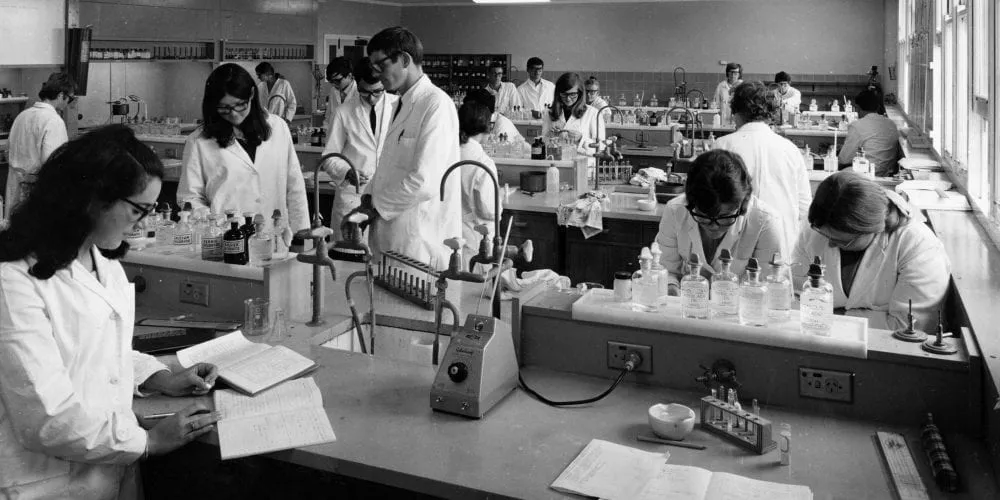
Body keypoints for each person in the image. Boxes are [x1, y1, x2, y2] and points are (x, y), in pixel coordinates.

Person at [0, 125, 220, 498]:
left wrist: (159, 376)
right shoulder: (14, 281)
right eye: (139, 209)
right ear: (92, 198)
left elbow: (100, 350)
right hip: (44, 483)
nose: (145, 220)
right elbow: (44, 417)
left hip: (107, 472)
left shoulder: (105, 265)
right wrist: (147, 441)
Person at [348, 26, 461, 270]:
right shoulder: (400, 102)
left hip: (418, 242)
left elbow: (424, 181)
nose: (376, 74)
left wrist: (375, 208)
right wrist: (366, 200)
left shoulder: (436, 105)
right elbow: (389, 163)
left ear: (405, 60)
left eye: (381, 65)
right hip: (392, 237)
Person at [792, 171, 950, 331]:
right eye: (826, 235)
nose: (831, 244)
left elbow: (907, 327)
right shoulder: (816, 229)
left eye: (843, 241)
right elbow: (796, 300)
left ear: (875, 229)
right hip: (817, 341)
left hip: (886, 351)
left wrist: (829, 316)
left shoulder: (918, 246)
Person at [179, 63, 309, 232]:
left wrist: (302, 230)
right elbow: (190, 198)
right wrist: (215, 224)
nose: (233, 113)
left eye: (240, 104)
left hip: (274, 234)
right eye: (224, 108)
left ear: (252, 95)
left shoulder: (278, 128)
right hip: (224, 238)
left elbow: (295, 185)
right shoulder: (199, 141)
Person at [655, 150, 785, 294]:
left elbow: (767, 287)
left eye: (725, 217)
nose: (714, 226)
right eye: (704, 216)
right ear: (690, 203)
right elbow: (665, 269)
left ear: (743, 205)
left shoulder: (765, 222)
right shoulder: (675, 211)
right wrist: (670, 287)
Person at [712, 81, 812, 252]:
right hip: (782, 242)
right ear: (769, 114)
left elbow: (710, 200)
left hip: (735, 244)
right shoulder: (790, 149)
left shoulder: (723, 146)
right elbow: (804, 206)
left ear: (736, 113)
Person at [322, 58, 398, 241]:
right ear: (357, 83)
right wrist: (347, 171)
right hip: (353, 195)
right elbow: (329, 157)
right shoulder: (343, 112)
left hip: (388, 197)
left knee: (381, 260)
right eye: (364, 92)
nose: (372, 98)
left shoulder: (398, 106)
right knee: (348, 258)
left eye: (377, 92)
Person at [4, 72, 74, 219]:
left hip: (14, 185)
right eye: (70, 98)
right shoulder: (53, 120)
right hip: (35, 190)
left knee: (14, 231)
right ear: (61, 95)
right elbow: (53, 164)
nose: (69, 104)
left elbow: (7, 151)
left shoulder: (22, 115)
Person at [458, 100, 502, 261]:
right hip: (475, 240)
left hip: (448, 234)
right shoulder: (483, 162)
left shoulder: (447, 154)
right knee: (475, 283)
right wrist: (501, 199)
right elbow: (489, 211)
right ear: (487, 128)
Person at [837, 89, 902, 176]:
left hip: (867, 173)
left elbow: (844, 159)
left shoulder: (857, 126)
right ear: (878, 107)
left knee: (838, 170)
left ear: (858, 108)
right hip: (887, 172)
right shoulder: (891, 124)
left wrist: (840, 150)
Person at [541, 73, 606, 156]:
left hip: (583, 164)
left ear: (580, 93)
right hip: (557, 163)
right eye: (564, 94)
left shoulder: (593, 113)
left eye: (572, 94)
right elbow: (543, 142)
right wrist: (550, 136)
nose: (568, 98)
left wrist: (581, 139)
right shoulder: (549, 112)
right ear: (558, 93)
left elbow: (601, 147)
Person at [323, 56, 358, 134]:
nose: (334, 84)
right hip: (334, 139)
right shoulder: (333, 91)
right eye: (331, 81)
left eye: (337, 81)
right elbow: (328, 117)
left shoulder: (359, 92)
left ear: (349, 76)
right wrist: (325, 132)